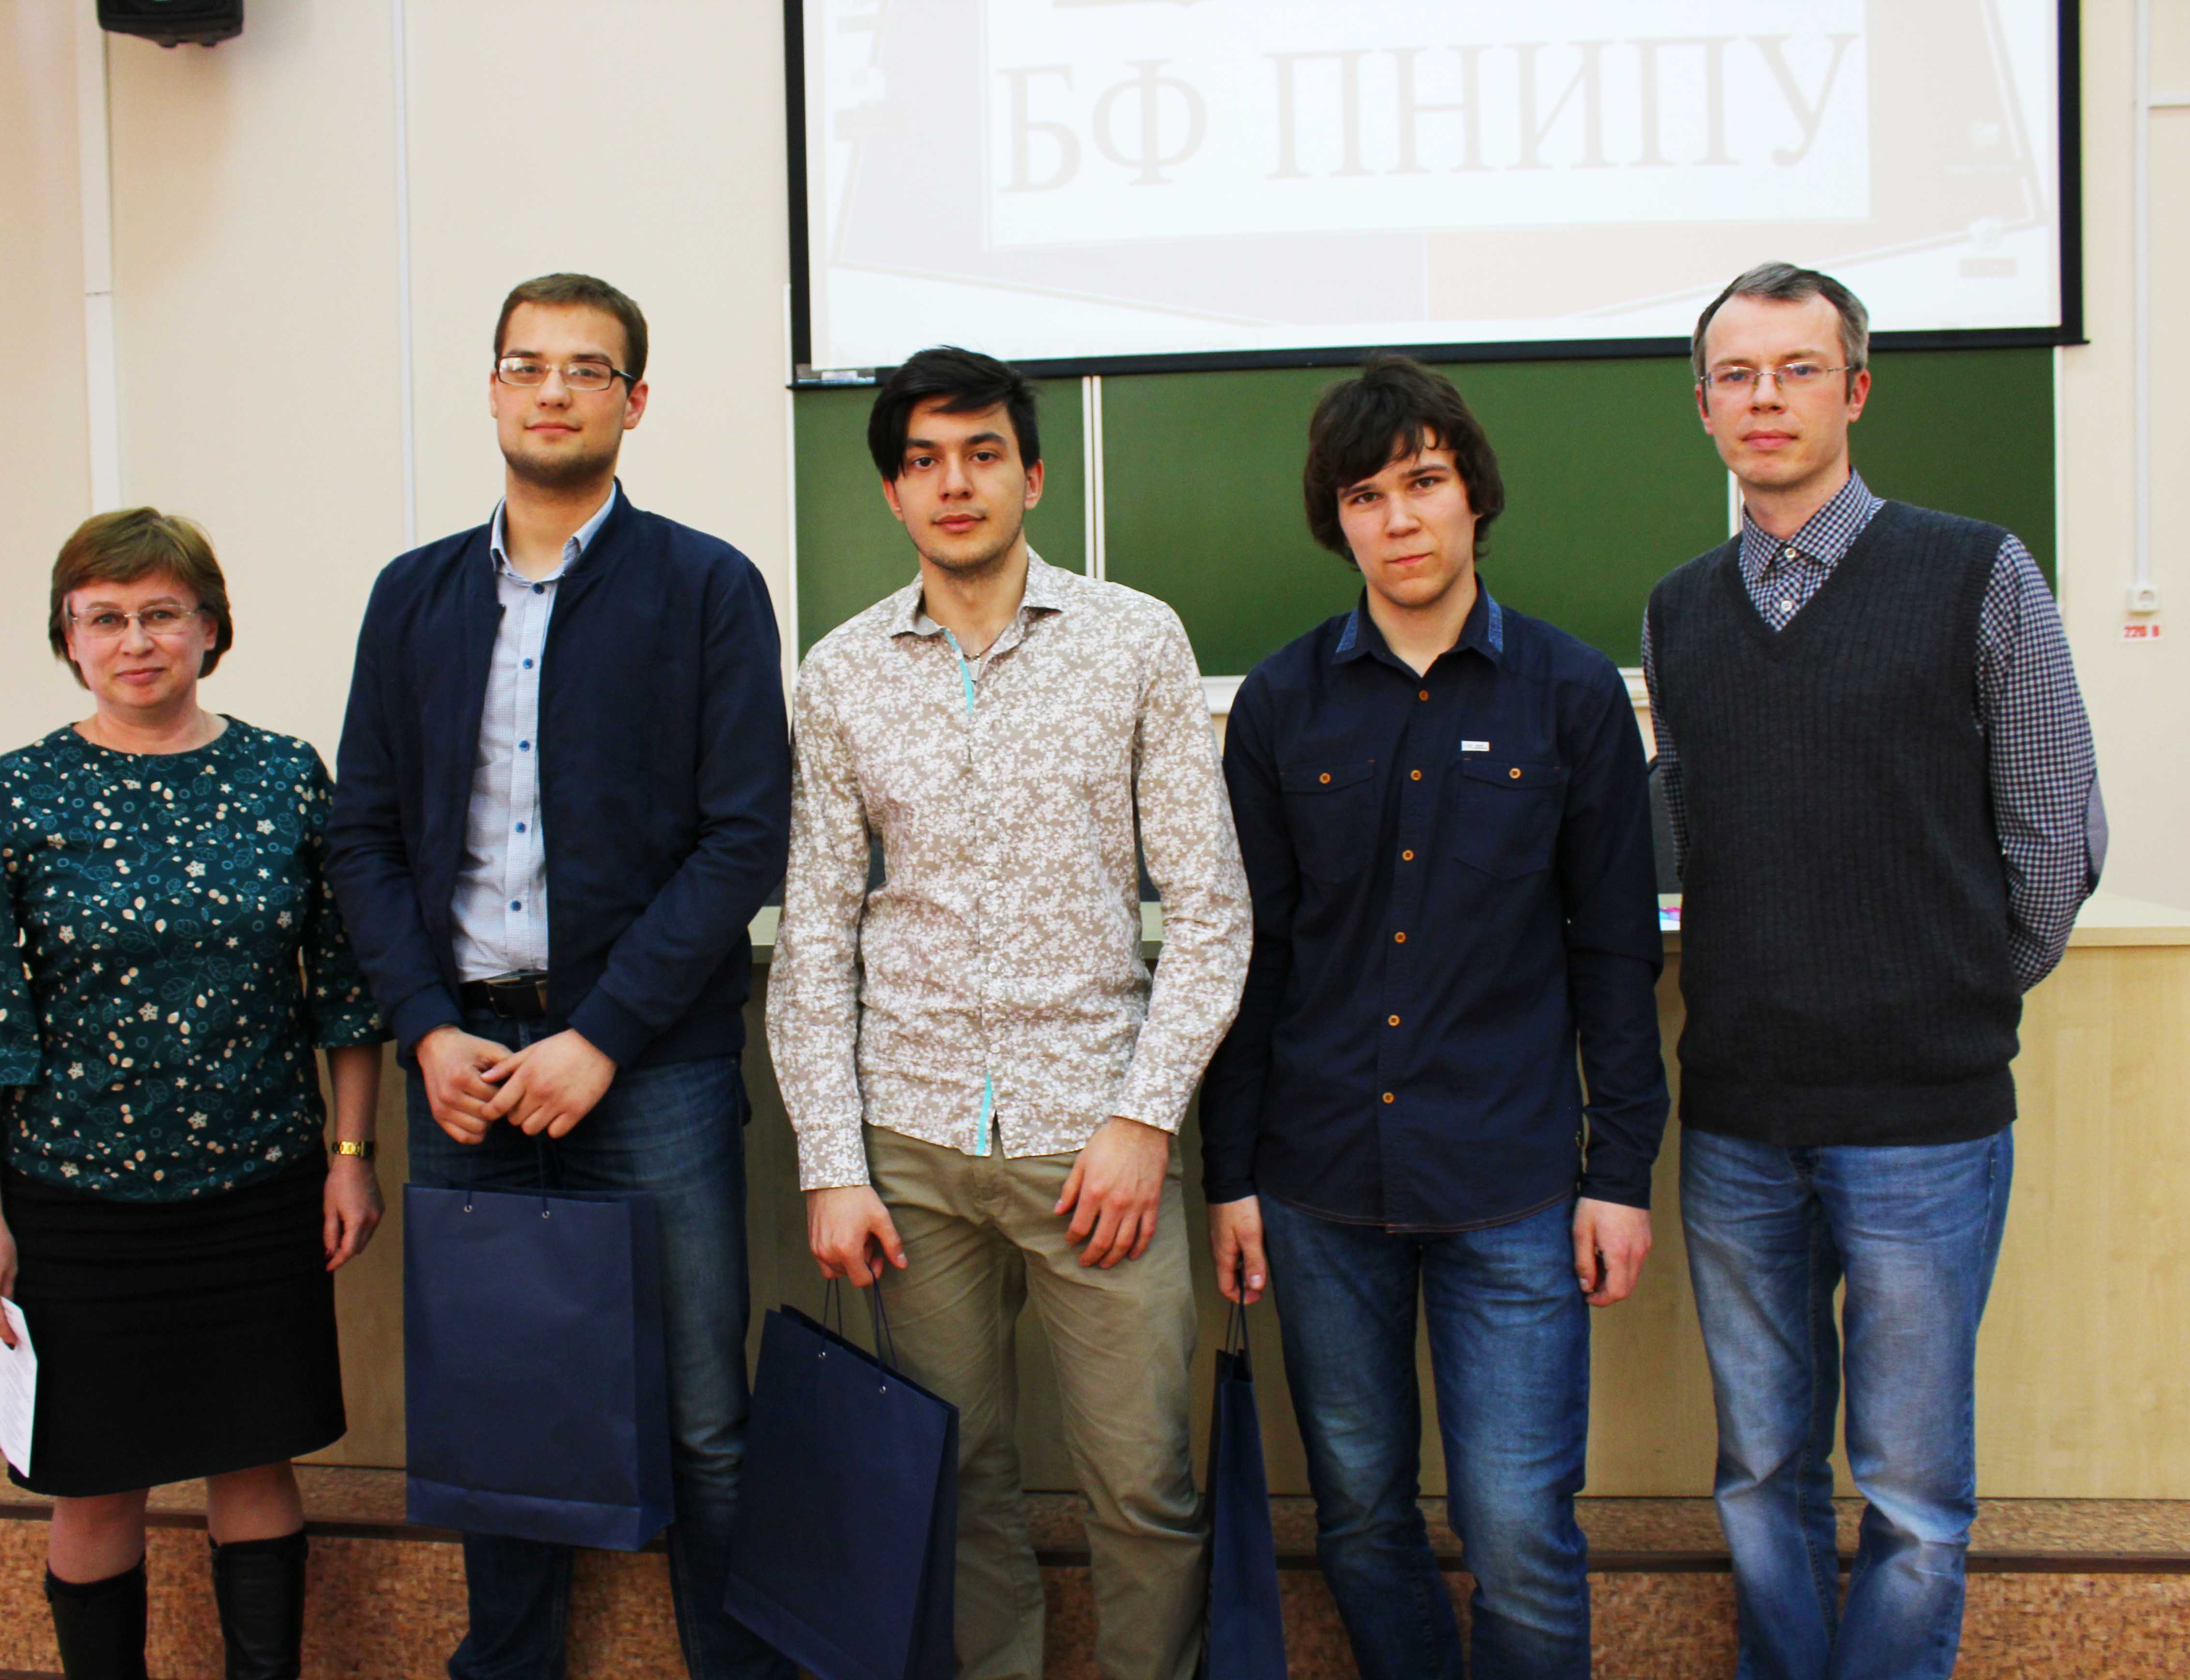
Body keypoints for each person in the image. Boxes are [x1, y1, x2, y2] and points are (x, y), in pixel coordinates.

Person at [326, 273, 793, 1680]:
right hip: (466, 1067)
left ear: (633, 404)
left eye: (587, 370)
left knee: (706, 1419)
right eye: (527, 365)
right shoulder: (412, 596)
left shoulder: (706, 587)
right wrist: (423, 1029)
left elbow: (742, 838)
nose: (553, 392)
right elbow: (364, 837)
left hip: (651, 1073)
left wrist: (602, 1035)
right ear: (491, 390)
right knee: (500, 1409)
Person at [1643, 261, 2104, 1680]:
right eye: (1737, 374)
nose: (1766, 397)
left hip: (1923, 1121)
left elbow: (2057, 838)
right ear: (1704, 408)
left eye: (1798, 369)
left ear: (1854, 390)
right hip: (1740, 1119)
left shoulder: (1978, 572)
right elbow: (1694, 827)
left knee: (1911, 1491)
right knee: (1760, 1471)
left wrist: (1949, 994)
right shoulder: (1680, 610)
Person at [767, 346, 1252, 1680]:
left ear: (1033, 476)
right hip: (912, 1150)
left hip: (1095, 1141)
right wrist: (832, 1164)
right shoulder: (842, 673)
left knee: (1142, 1487)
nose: (955, 483)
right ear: (891, 493)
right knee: (958, 1485)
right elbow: (816, 938)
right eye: (923, 461)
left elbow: (1212, 910)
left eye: (982, 453)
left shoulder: (1134, 641)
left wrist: (1145, 1119)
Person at [1198, 356, 1669, 1680]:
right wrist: (1230, 1177)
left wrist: (1620, 1173)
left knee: (1519, 1527)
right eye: (1366, 496)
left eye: (1423, 482)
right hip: (1317, 1183)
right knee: (1358, 1512)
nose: (1398, 519)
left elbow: (1615, 954)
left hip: (1510, 1184)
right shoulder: (1280, 705)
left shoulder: (1571, 695)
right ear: (1337, 520)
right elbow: (1250, 957)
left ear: (1473, 496)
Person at [0, 508, 386, 1680]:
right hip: (76, 1204)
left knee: (256, 1462)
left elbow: (344, 994)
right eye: (104, 619)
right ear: (69, 640)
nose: (135, 641)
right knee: (93, 1487)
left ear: (210, 629)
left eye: (161, 614)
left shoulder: (286, 776)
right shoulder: (17, 794)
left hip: (259, 1189)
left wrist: (351, 1157)